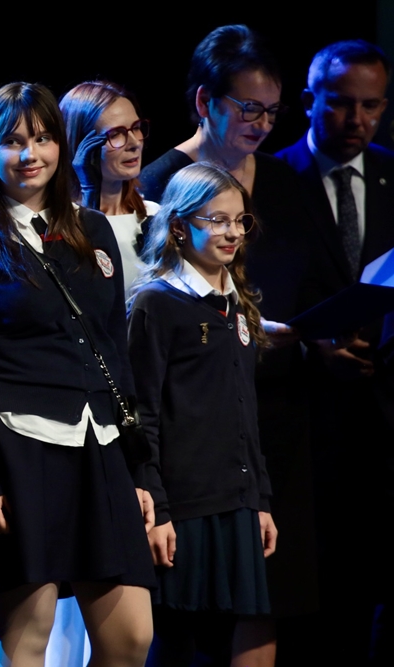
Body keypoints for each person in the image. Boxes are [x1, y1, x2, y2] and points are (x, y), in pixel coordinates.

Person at [0, 81, 154, 667]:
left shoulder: (92, 229)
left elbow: (115, 351)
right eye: (13, 141)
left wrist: (141, 471)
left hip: (101, 444)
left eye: (43, 138)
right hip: (21, 448)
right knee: (28, 636)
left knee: (132, 637)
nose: (30, 154)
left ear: (61, 146)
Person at [138, 25, 321, 664]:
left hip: (254, 460)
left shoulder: (281, 189)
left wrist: (259, 501)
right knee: (181, 631)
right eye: (248, 108)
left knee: (246, 612)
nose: (262, 124)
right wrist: (158, 504)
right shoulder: (158, 288)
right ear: (204, 102)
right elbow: (144, 406)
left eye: (272, 112)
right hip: (186, 479)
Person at [127, 162, 277, 666]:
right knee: (174, 641)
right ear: (178, 226)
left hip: (235, 502)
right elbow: (142, 416)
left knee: (223, 642)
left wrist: (259, 500)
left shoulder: (237, 305)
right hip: (184, 507)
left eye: (239, 221)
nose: (233, 232)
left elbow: (244, 413)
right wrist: (158, 510)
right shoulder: (156, 304)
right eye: (217, 221)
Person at [276, 39, 394, 664]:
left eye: (372, 106)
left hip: (382, 411)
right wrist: (315, 348)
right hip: (304, 413)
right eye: (342, 103)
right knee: (309, 590)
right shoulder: (272, 179)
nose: (357, 120)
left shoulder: (393, 174)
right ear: (308, 100)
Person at [60, 81, 159, 291]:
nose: (134, 143)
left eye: (136, 128)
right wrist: (89, 190)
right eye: (115, 134)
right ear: (81, 146)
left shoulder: (155, 215)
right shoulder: (59, 224)